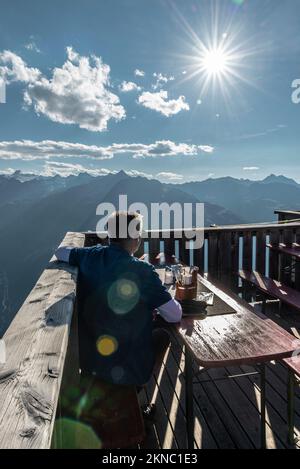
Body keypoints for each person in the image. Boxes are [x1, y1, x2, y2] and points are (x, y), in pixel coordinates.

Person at [55, 211, 182, 388]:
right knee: (163, 335)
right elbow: (174, 315)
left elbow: (60, 252)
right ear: (135, 237)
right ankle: (141, 386)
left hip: (91, 362)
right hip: (127, 369)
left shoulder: (90, 256)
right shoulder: (143, 271)